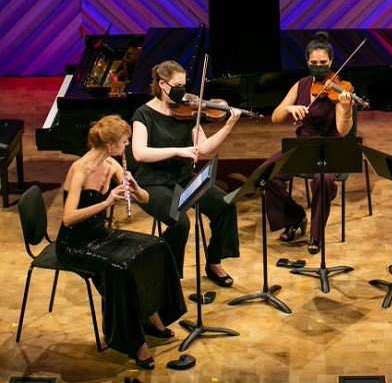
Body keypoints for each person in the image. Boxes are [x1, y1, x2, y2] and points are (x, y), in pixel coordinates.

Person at [56, 115, 186, 370]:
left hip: (101, 235)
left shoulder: (111, 164)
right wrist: (105, 203)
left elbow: (146, 199)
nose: (126, 147)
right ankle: (135, 343)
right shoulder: (79, 169)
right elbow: (68, 218)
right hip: (74, 244)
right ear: (111, 143)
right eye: (124, 142)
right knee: (122, 269)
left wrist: (137, 189)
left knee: (156, 247)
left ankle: (152, 315)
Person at [130, 60, 241, 286]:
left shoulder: (187, 111)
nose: (184, 91)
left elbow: (205, 149)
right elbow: (140, 153)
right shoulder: (143, 114)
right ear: (162, 84)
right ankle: (166, 279)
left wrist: (228, 126)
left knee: (225, 204)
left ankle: (214, 262)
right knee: (180, 222)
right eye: (178, 85)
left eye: (185, 84)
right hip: (153, 184)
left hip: (183, 180)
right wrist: (179, 151)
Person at [265, 31, 354, 254]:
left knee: (322, 180)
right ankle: (294, 218)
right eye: (314, 63)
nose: (318, 66)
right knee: (268, 175)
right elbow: (275, 117)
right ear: (307, 62)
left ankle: (316, 235)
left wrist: (346, 108)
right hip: (303, 146)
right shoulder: (301, 85)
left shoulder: (338, 89)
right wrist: (288, 108)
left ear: (331, 62)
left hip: (330, 147)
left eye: (323, 62)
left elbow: (343, 132)